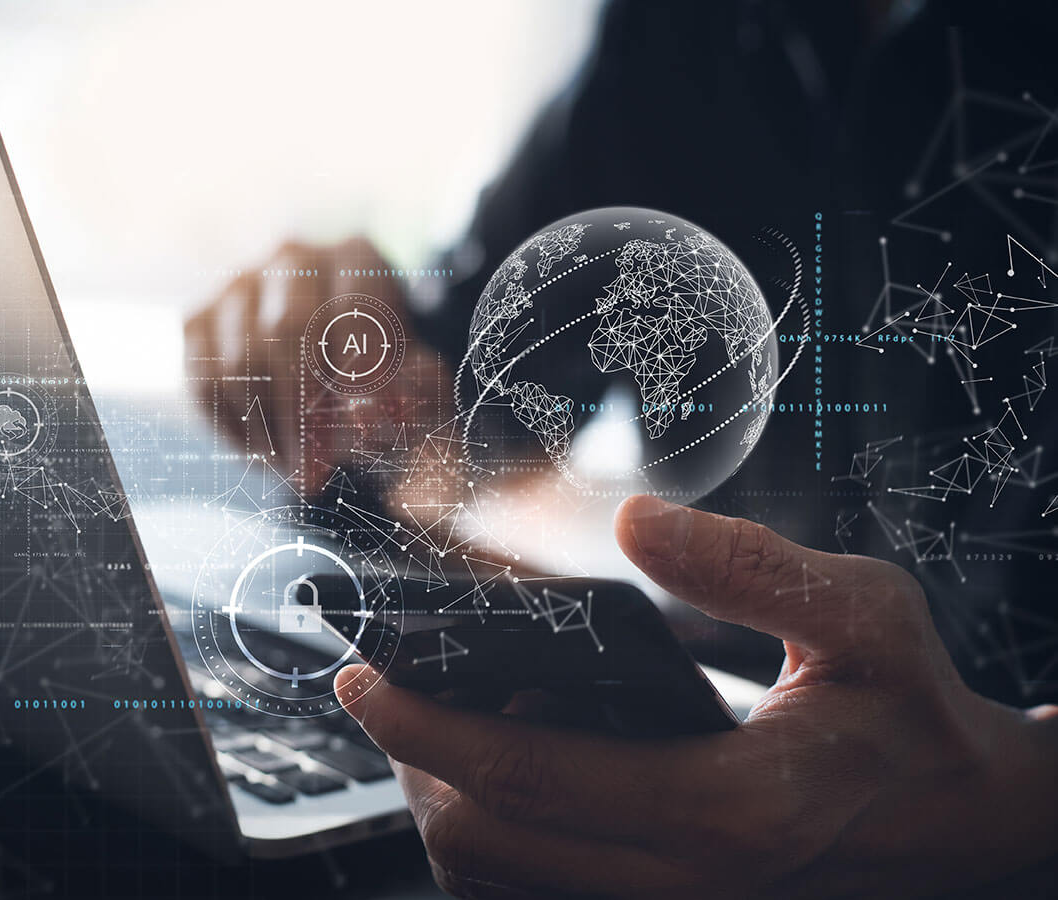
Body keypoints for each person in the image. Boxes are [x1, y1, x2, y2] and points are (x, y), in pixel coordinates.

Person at [187, 0, 1058, 894]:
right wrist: (361, 372)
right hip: (707, 766)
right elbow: (468, 431)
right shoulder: (675, 36)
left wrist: (1027, 795)